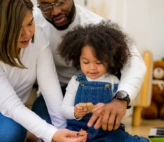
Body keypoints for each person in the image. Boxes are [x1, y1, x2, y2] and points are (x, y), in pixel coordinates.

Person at [32, 0, 146, 133]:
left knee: (99, 133)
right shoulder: (30, 23)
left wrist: (121, 98)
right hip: (53, 92)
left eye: (60, 2)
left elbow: (135, 63)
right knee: (42, 132)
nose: (55, 11)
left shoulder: (95, 24)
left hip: (96, 88)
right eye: (46, 6)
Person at [0, 0, 87, 142]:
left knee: (19, 125)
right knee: (9, 131)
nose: (27, 33)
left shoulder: (37, 36)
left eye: (30, 23)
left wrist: (61, 130)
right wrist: (52, 135)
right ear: (1, 29)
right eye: (17, 29)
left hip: (8, 115)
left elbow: (50, 87)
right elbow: (11, 106)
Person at [58, 21, 150, 142]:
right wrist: (75, 112)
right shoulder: (76, 81)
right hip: (78, 130)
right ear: (77, 59)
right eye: (86, 62)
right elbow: (64, 109)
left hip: (108, 132)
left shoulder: (113, 81)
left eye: (99, 62)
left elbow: (125, 113)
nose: (92, 68)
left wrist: (109, 112)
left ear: (110, 60)